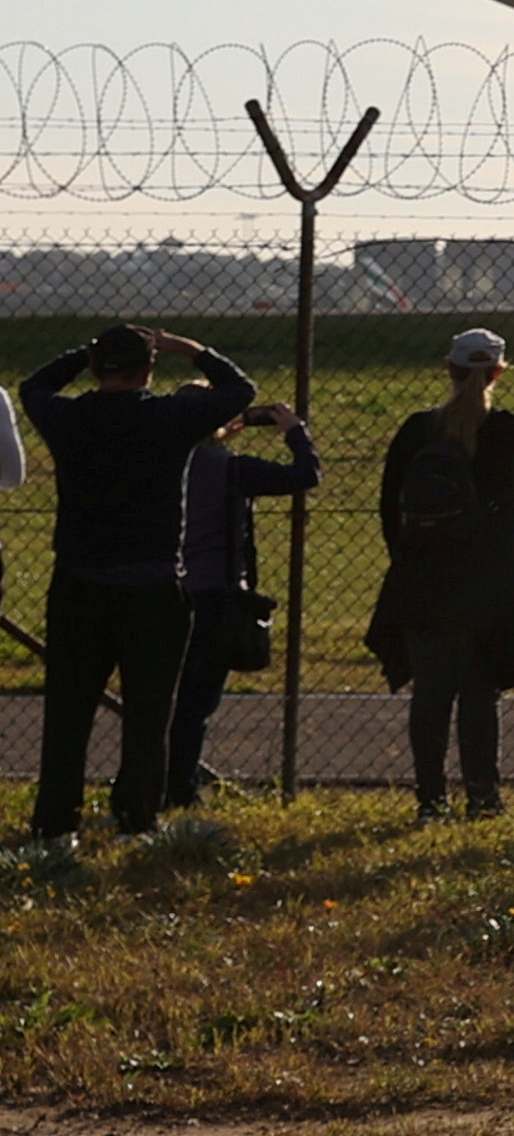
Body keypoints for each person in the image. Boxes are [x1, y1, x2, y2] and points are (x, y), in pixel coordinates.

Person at [16, 326, 258, 849]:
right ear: (148, 370)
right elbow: (241, 392)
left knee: (68, 711)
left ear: (100, 370)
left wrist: (83, 355)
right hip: (152, 586)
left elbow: (33, 386)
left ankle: (56, 824)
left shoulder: (70, 419)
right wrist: (193, 350)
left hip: (79, 583)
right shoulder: (169, 418)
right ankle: (135, 818)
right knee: (149, 714)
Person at [362, 330, 514, 820]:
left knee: (430, 693)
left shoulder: (416, 430)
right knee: (479, 693)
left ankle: (431, 801)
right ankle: (483, 798)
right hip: (496, 579)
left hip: (425, 579)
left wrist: (408, 562)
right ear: (498, 372)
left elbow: (390, 509)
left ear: (448, 370)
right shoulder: (511, 430)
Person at [158, 397, 321, 813]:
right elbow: (305, 475)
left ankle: (145, 783)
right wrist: (295, 433)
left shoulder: (157, 464)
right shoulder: (232, 470)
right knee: (196, 701)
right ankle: (181, 787)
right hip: (214, 594)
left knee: (156, 697)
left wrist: (210, 435)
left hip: (160, 590)